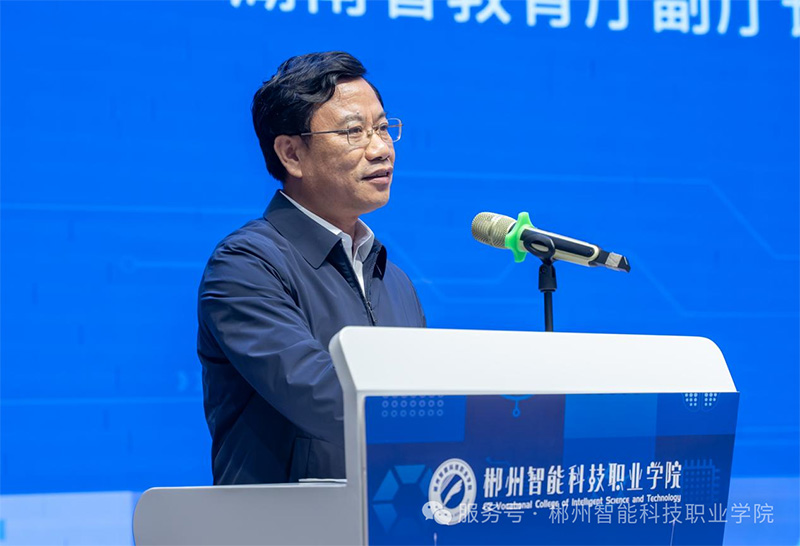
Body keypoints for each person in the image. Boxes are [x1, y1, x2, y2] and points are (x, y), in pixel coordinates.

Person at [197, 51, 426, 485]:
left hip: (389, 512)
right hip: (287, 518)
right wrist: (450, 422)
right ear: (291, 154)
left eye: (382, 128)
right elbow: (321, 395)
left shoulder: (394, 281)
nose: (381, 149)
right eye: (354, 132)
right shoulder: (246, 266)